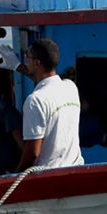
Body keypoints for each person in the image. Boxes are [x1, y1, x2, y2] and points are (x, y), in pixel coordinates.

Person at [17, 39, 83, 170]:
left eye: (27, 57)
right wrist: (17, 67)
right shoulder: (71, 87)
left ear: (36, 63)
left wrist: (14, 177)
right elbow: (48, 83)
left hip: (49, 177)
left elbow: (33, 154)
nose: (25, 60)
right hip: (76, 169)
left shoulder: (34, 101)